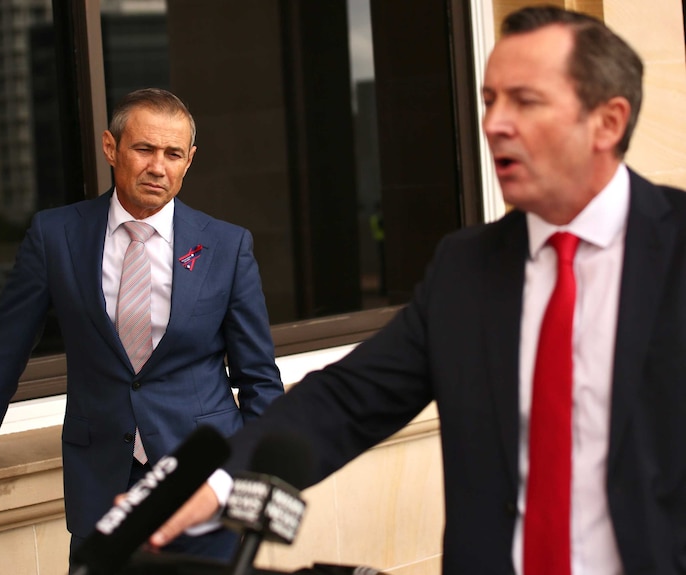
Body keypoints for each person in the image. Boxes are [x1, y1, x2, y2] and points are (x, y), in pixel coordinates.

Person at [148, 7, 686, 574]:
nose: (495, 123)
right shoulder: (465, 267)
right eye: (488, 100)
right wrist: (214, 479)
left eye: (525, 101)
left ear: (608, 122)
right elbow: (344, 400)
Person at [0, 88, 284, 565]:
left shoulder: (226, 245)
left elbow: (258, 376)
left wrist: (258, 475)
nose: (158, 166)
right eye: (144, 148)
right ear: (111, 147)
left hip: (203, 477)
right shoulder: (55, 236)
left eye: (173, 153)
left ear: (189, 161)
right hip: (100, 478)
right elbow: (3, 353)